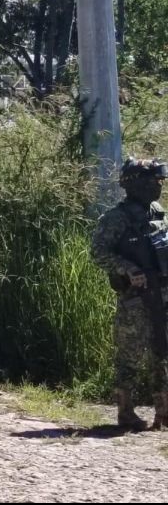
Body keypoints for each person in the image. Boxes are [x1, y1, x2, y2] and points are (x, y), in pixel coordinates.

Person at [90, 157, 168, 431]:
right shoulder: (116, 218)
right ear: (135, 184)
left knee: (163, 354)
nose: (158, 186)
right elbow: (98, 252)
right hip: (135, 298)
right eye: (153, 181)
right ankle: (126, 413)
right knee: (130, 357)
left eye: (160, 181)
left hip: (163, 295)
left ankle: (163, 414)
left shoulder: (158, 212)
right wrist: (128, 269)